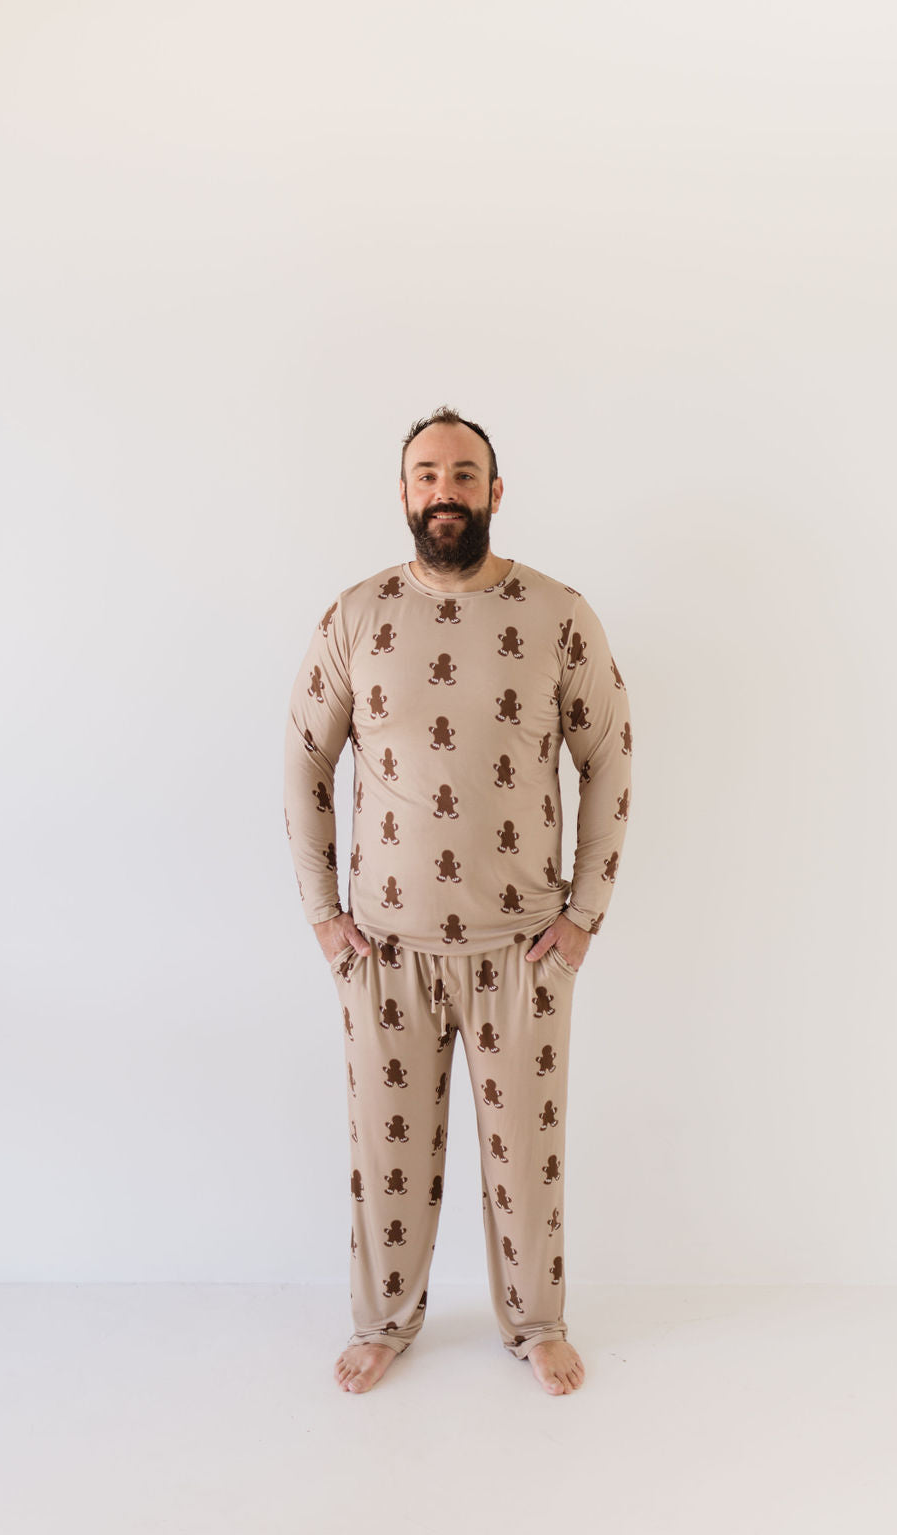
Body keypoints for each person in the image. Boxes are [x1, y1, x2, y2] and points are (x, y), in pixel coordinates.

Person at [283, 405, 631, 1395]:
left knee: (527, 1151)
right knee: (383, 1145)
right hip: (384, 950)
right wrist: (324, 915)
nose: (445, 491)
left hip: (523, 945)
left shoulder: (558, 614)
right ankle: (385, 1319)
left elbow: (608, 755)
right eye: (427, 475)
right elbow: (304, 758)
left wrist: (582, 914)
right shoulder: (354, 616)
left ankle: (536, 1321)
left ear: (494, 491)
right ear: (403, 493)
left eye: (464, 474)